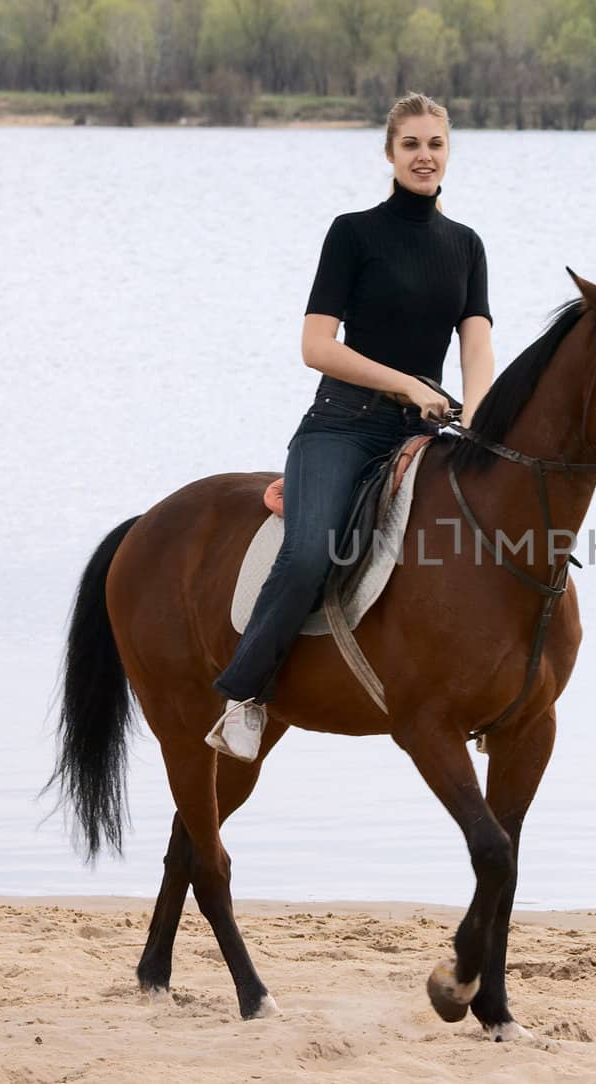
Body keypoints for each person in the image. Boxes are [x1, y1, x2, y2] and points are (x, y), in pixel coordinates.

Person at [207, 92, 495, 762]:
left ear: (449, 151)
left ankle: (484, 690)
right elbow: (316, 345)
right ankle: (244, 696)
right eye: (411, 146)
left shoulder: (467, 246)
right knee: (310, 553)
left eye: (435, 145)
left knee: (478, 541)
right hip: (342, 426)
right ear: (390, 154)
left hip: (421, 433)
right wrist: (405, 383)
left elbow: (475, 344)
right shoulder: (353, 233)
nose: (424, 157)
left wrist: (476, 412)